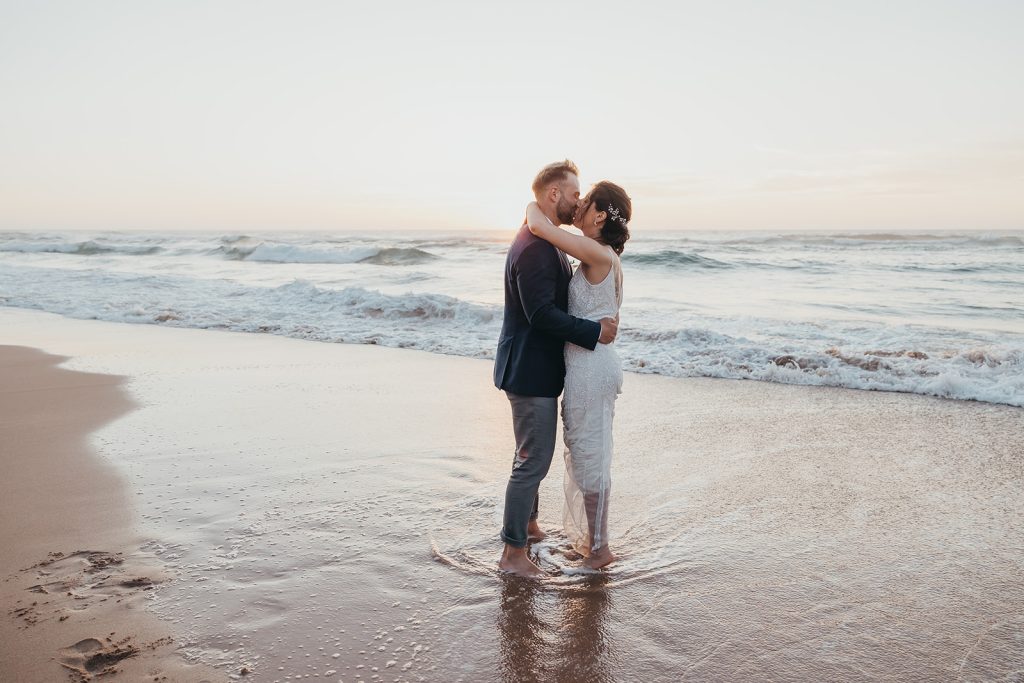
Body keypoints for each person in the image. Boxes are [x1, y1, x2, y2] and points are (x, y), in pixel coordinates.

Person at [493, 160, 619, 578]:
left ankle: (527, 526)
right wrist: (593, 332)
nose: (577, 200)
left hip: (544, 369)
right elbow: (541, 315)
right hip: (531, 369)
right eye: (572, 193)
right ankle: (513, 554)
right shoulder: (534, 247)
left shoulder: (547, 240)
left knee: (530, 455)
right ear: (553, 195)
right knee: (532, 460)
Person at [524, 180, 631, 570]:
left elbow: (542, 229)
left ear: (601, 216)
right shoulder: (601, 255)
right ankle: (594, 542)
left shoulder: (596, 252)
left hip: (591, 367)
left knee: (591, 457)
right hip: (588, 364)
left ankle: (601, 550)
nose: (580, 206)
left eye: (587, 204)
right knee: (588, 453)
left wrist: (532, 205)